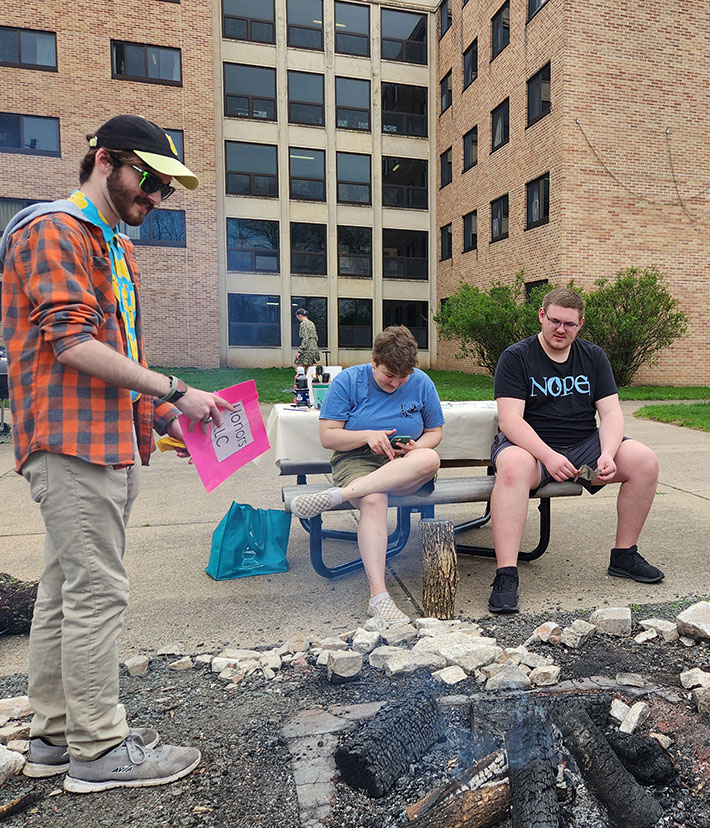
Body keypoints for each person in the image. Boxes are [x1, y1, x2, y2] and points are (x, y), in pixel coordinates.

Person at [0, 114, 230, 792]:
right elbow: (71, 344)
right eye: (149, 180)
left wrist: (167, 418)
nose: (155, 198)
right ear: (106, 159)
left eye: (164, 189)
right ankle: (98, 752)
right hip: (72, 446)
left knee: (66, 592)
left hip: (107, 444)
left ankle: (54, 737)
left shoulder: (113, 250)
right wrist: (178, 389)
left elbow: (117, 359)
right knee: (99, 591)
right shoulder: (52, 230)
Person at [486, 287, 662, 614]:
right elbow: (510, 421)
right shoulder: (516, 356)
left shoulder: (593, 357)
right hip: (531, 447)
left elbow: (610, 414)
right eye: (554, 321)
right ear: (541, 316)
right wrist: (548, 456)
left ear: (580, 324)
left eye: (569, 324)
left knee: (644, 461)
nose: (560, 329)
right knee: (511, 467)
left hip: (583, 446)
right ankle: (506, 574)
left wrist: (607, 453)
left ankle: (624, 555)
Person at [287, 325, 443, 624]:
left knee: (430, 458)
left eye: (403, 378)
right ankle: (379, 597)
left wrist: (415, 448)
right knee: (373, 500)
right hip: (357, 460)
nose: (396, 384)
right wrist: (366, 435)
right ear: (374, 361)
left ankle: (340, 496)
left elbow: (435, 432)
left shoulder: (422, 382)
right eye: (388, 377)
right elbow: (328, 437)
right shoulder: (348, 380)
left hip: (405, 463)